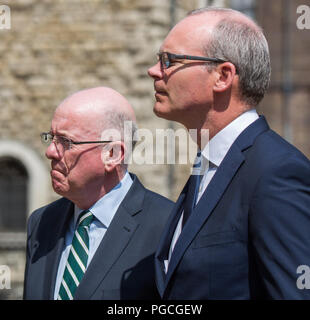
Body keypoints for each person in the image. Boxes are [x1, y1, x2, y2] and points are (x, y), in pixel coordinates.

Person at [148, 7, 310, 299]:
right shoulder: (208, 165)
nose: (154, 71)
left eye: (169, 60)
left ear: (223, 76)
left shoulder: (275, 172)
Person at [23, 87, 173, 300]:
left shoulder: (168, 225)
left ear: (112, 154)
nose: (50, 152)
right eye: (51, 138)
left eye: (66, 142)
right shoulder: (42, 222)